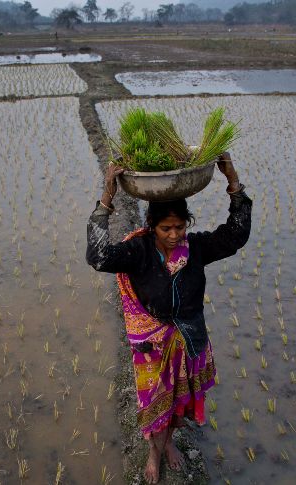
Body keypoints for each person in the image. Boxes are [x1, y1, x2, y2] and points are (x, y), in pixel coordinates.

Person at [86, 152, 252, 483]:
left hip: (189, 339)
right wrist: (107, 196)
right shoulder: (138, 251)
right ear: (151, 227)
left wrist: (232, 180)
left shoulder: (197, 248)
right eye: (166, 228)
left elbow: (236, 236)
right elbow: (98, 255)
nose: (174, 235)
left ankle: (170, 444)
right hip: (152, 346)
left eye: (179, 227)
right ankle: (153, 453)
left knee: (179, 403)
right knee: (154, 403)